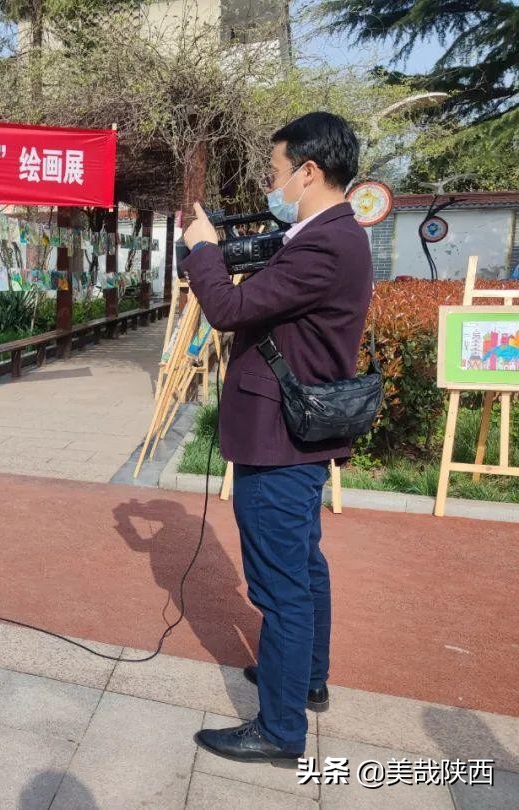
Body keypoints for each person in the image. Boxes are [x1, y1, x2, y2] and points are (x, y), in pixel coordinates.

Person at [181, 112, 373, 764]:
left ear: (308, 172)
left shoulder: (325, 243)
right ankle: (305, 679)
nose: (271, 184)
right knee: (303, 565)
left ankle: (280, 728)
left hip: (278, 439)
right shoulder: (325, 235)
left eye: (274, 173)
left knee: (279, 586)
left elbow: (231, 309)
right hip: (294, 433)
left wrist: (204, 250)